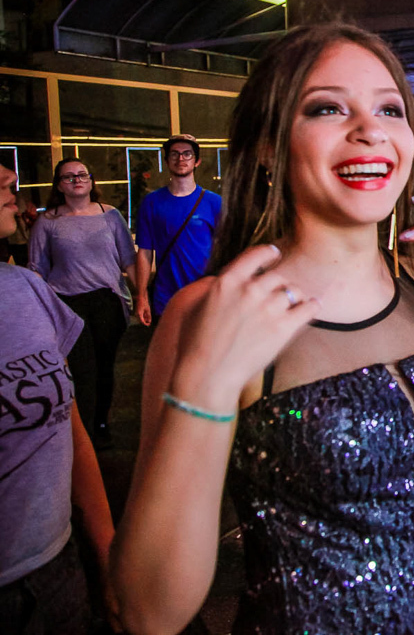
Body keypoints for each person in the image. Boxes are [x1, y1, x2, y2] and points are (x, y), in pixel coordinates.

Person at [110, 23, 414, 635]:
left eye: (389, 109)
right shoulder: (209, 312)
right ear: (268, 146)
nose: (370, 129)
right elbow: (149, 611)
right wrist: (205, 388)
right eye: (327, 107)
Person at [0, 162, 118, 634]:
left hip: (57, 570)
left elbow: (68, 430)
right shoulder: (47, 226)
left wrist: (107, 559)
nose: (11, 177)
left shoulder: (23, 291)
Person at [28, 159, 138, 446]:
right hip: (67, 303)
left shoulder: (110, 215)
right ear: (59, 185)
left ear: (91, 181)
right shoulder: (48, 221)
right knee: (81, 371)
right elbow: (36, 268)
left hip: (107, 301)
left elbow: (129, 259)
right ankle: (83, 433)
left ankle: (101, 424)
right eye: (68, 177)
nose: (77, 180)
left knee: (105, 367)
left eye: (82, 175)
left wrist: (142, 297)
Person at [133, 133, 223, 326]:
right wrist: (141, 296)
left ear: (197, 161)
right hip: (166, 298)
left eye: (187, 154)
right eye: (174, 154)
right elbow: (145, 253)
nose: (180, 159)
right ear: (166, 161)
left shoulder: (214, 203)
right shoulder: (152, 203)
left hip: (204, 297)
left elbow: (224, 249)